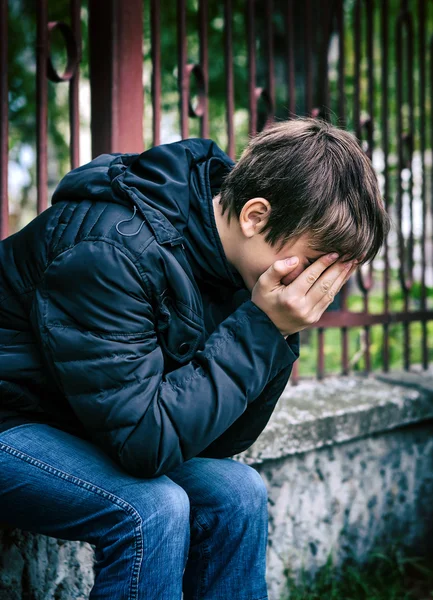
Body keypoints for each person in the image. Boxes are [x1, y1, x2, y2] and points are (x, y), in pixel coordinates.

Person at [0, 117, 390, 599]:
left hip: (79, 419)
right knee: (151, 507)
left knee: (237, 491)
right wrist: (263, 328)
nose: (319, 285)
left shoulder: (231, 263)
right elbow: (146, 444)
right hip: (12, 420)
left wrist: (276, 331)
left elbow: (220, 440)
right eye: (315, 262)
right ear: (255, 216)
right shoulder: (110, 251)